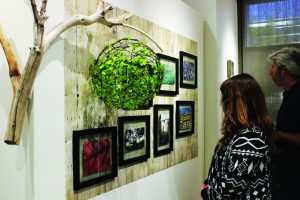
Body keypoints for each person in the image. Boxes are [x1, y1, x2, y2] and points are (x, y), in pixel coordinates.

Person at [201, 74, 274, 200]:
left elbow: (233, 186)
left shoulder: (251, 139)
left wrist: (207, 192)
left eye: (226, 99)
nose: (223, 105)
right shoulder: (240, 132)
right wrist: (208, 182)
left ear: (239, 103)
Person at [267, 47, 300, 200]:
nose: (269, 73)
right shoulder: (289, 94)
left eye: (272, 68)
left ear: (283, 70)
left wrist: (278, 135)